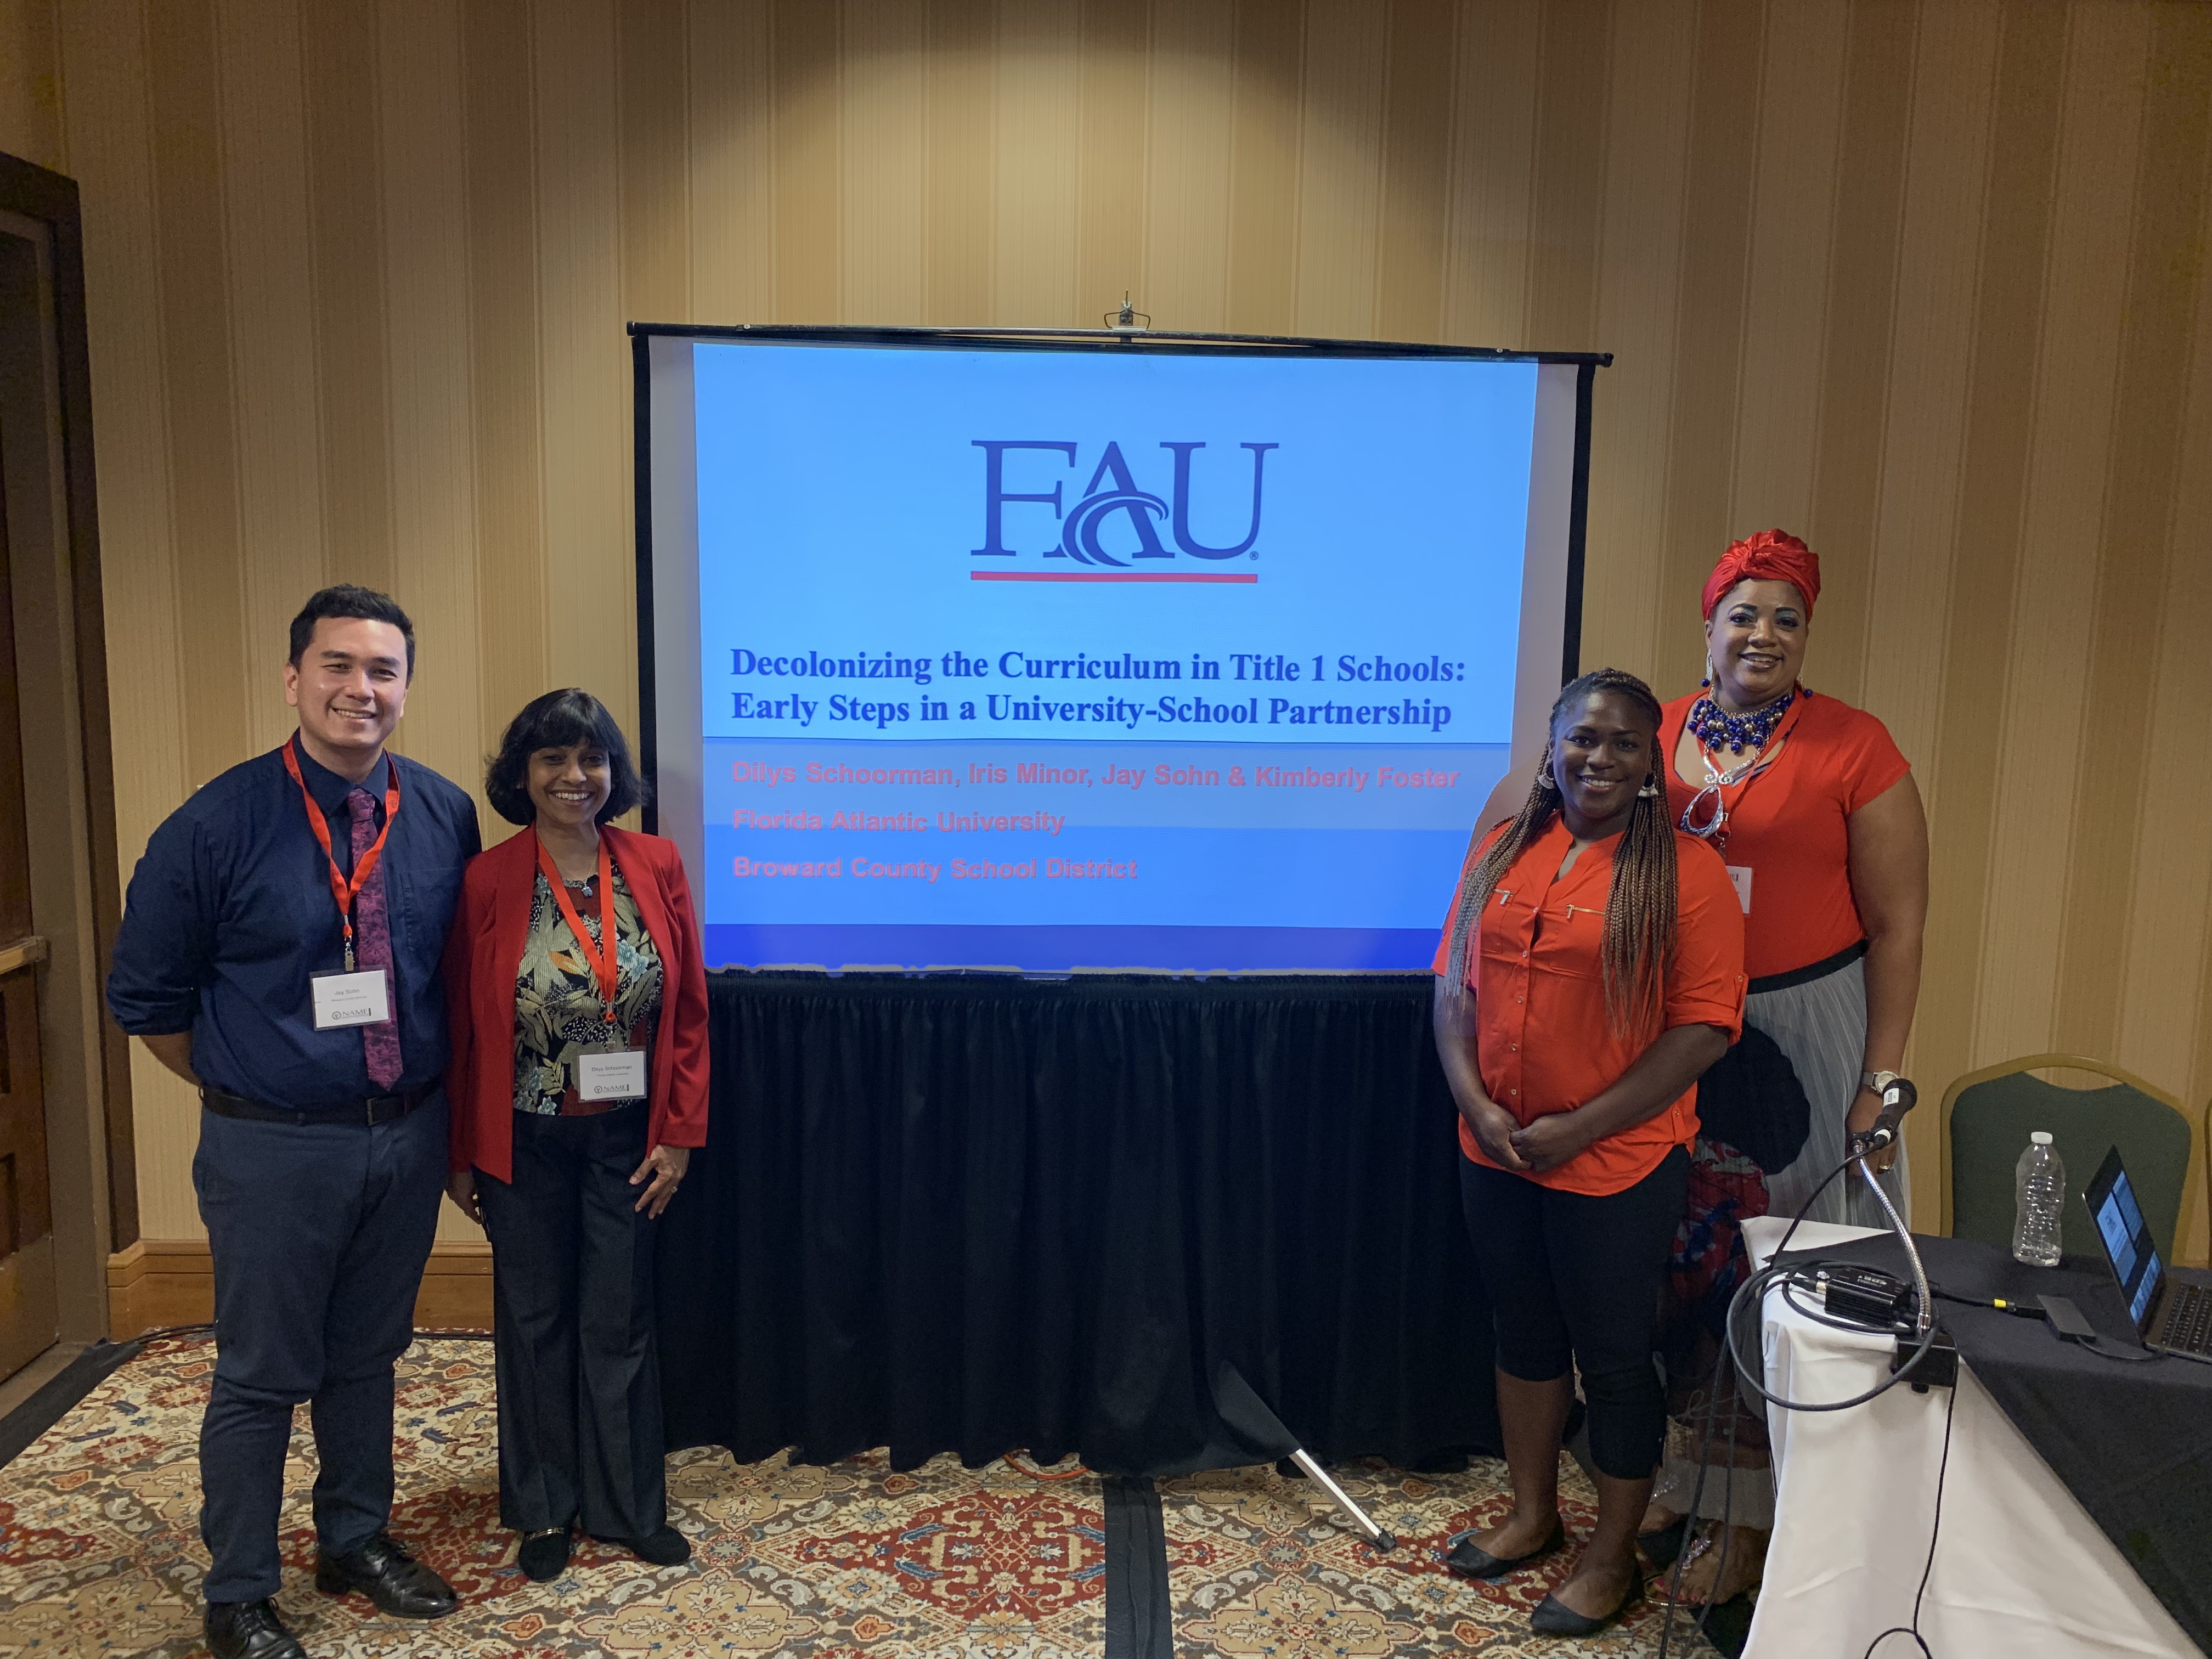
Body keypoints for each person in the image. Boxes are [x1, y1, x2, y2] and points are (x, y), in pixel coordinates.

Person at [106, 586, 481, 1659]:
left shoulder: (445, 815)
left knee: (369, 1356)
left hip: (404, 1133)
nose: (360, 689)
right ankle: (240, 1592)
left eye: (383, 671)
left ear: (406, 689)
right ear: (294, 679)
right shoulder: (212, 826)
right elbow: (147, 1001)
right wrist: (253, 1084)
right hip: (272, 1144)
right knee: (264, 1373)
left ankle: (354, 1540)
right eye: (337, 666)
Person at [1641, 528, 1929, 1603]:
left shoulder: (1857, 747)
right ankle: (1691, 1471)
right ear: (1708, 626)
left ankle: (1763, 1520)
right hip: (1681, 1027)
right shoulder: (1659, 732)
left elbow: (1900, 927)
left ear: (1807, 635)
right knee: (1686, 1257)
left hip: (1812, 1029)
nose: (1763, 634)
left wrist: (1880, 1084)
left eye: (1787, 618)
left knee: (1788, 1268)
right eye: (1744, 614)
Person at [1432, 668, 1745, 1639]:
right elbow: (1452, 990)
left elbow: (1703, 1029)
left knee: (1613, 1361)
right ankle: (1532, 1516)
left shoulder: (1684, 874)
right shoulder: (1502, 850)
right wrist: (1477, 1104)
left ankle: (1610, 1562)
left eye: (1621, 744)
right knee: (1522, 1335)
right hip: (1497, 1150)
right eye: (1581, 739)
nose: (1597, 758)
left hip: (1616, 1163)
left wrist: (1581, 1125)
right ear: (1554, 747)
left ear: (1650, 761)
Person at [442, 689, 708, 1582]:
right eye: (553, 759)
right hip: (521, 1137)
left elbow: (691, 1012)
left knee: (619, 1316)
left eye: (590, 759)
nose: (574, 777)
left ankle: (629, 1506)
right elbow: (459, 1022)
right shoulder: (488, 878)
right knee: (533, 1319)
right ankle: (546, 1508)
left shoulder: (656, 863)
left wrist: (676, 1134)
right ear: (523, 774)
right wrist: (461, 1153)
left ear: (613, 771)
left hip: (627, 1138)